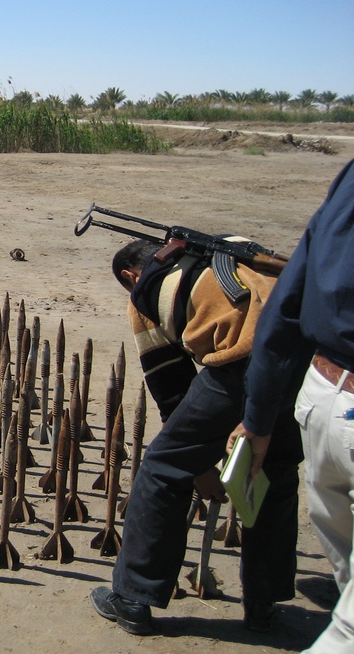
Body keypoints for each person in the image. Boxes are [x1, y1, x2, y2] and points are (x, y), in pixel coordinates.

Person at [90, 237, 302, 635]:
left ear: (129, 276)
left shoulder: (145, 290)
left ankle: (133, 598)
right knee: (273, 471)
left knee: (162, 468)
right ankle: (263, 604)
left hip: (242, 365)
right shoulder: (230, 251)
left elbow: (172, 387)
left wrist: (197, 465)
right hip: (299, 361)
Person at [231, 160, 354, 653]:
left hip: (321, 399)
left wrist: (258, 420)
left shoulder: (349, 178)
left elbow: (284, 308)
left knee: (347, 574)